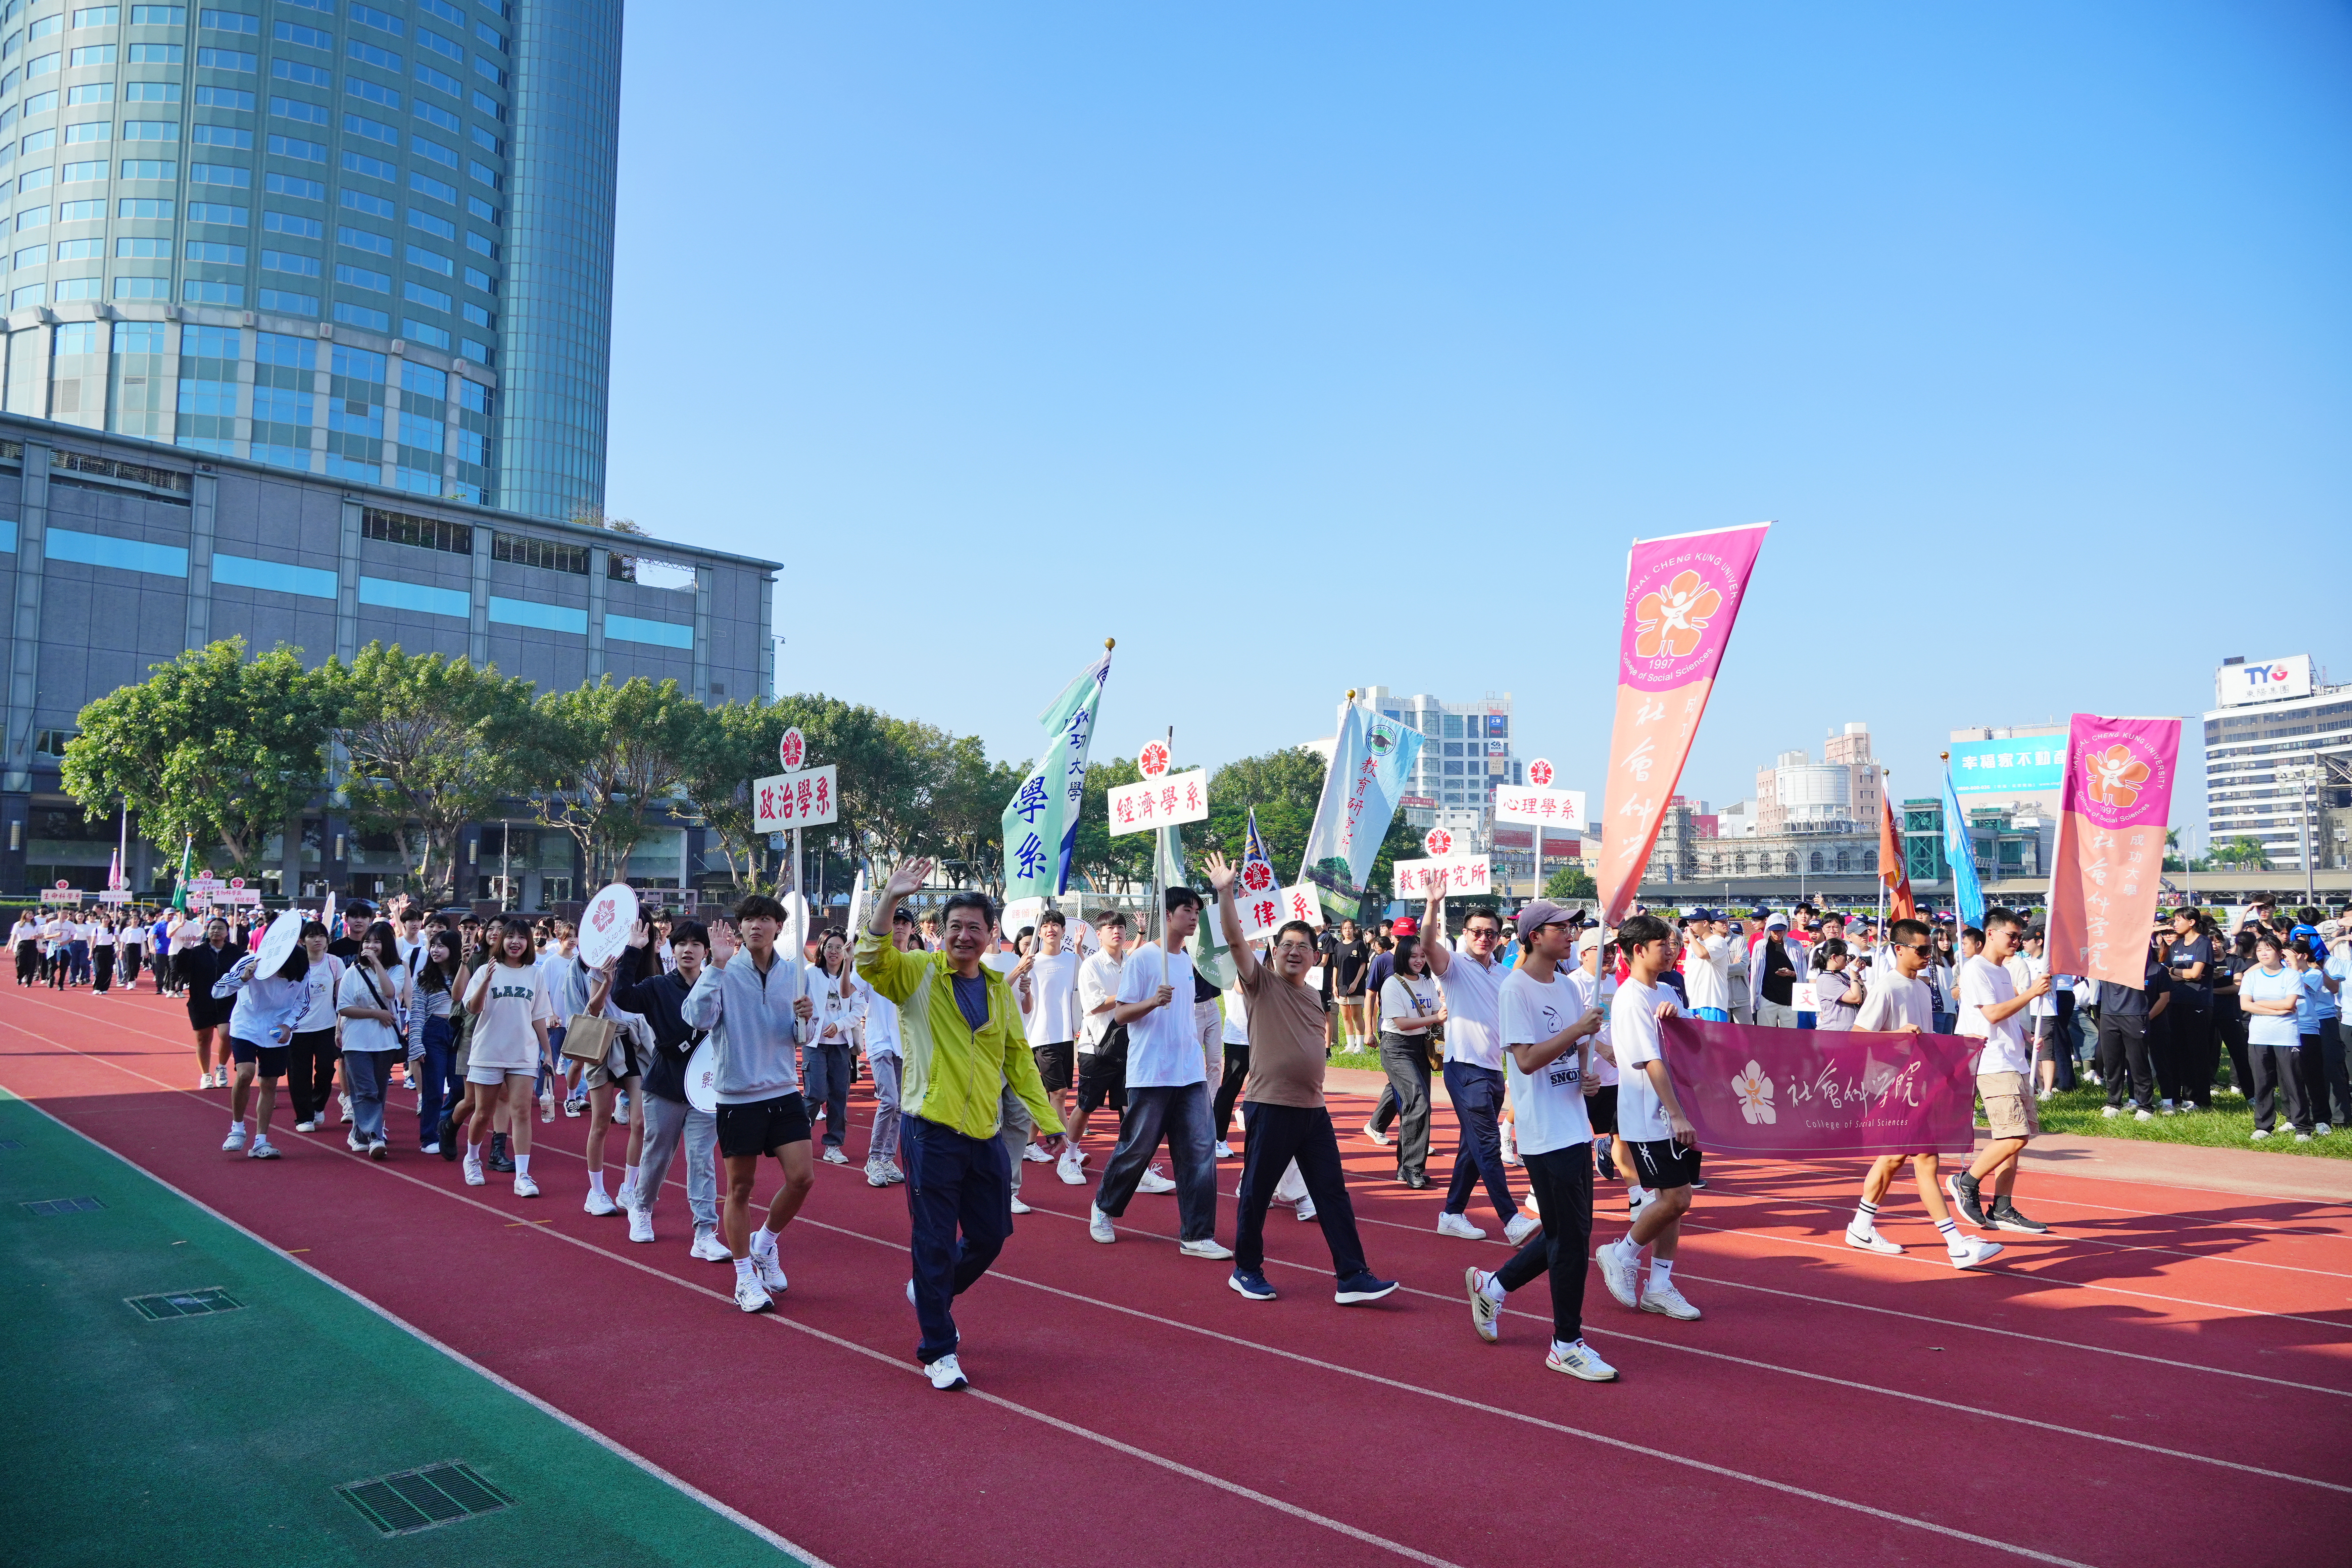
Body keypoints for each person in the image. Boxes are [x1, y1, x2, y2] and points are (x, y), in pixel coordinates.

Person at [860, 861, 1064, 1391]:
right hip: (931, 1128)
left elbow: (1018, 1059)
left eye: (975, 927)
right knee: (932, 1239)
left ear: (990, 933)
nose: (965, 936)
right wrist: (890, 895)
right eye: (955, 927)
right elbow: (870, 958)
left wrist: (1049, 1119)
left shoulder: (998, 988)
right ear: (941, 933)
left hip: (985, 1132)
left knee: (992, 1234)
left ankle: (931, 1288)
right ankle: (937, 1348)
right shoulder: (918, 974)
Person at [1202, 851, 1397, 1306]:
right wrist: (1226, 892)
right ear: (1274, 952)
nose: (1293, 951)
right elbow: (1234, 940)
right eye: (1285, 945)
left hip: (1313, 1111)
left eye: (1302, 947)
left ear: (1315, 955)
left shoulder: (1314, 997)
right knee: (1257, 1192)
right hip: (1270, 1107)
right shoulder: (1260, 983)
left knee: (1332, 1193)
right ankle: (1246, 1269)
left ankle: (1353, 1275)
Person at [1462, 900, 1615, 1379]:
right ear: (1534, 936)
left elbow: (1577, 1051)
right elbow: (1526, 1061)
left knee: (1568, 1236)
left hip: (1573, 1125)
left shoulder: (1569, 987)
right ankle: (1566, 1343)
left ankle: (1494, 1287)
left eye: (1572, 927)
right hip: (1544, 1134)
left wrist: (1588, 1076)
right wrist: (1576, 1030)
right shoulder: (1516, 989)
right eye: (1562, 928)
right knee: (1571, 1241)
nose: (1571, 935)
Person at [1843, 919, 2004, 1268]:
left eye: (1930, 949)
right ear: (1898, 949)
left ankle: (1861, 1226)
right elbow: (1856, 1037)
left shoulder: (1920, 987)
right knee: (1925, 1161)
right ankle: (1956, 1243)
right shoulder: (1887, 987)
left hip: (1917, 1084)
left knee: (1893, 1159)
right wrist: (1897, 1034)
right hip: (1890, 1087)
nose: (1928, 955)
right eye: (1922, 950)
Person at [684, 894, 818, 1314]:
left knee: (803, 1178)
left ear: (779, 926)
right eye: (747, 920)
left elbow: (802, 1038)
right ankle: (744, 1277)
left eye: (765, 918)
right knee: (739, 1188)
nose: (755, 925)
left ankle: (765, 1244)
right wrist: (716, 966)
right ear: (738, 928)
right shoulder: (723, 971)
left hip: (782, 1090)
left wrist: (806, 1017)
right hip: (737, 1097)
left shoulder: (796, 975)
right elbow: (697, 1018)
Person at [1088, 886, 1230, 1259]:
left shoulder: (1185, 960)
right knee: (1136, 1149)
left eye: (1197, 910)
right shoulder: (1144, 959)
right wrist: (1152, 1001)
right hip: (1151, 1072)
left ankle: (1197, 1234)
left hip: (1189, 1072)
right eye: (1187, 909)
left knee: (1199, 1153)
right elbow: (1120, 1014)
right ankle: (1104, 1207)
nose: (1194, 915)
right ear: (1167, 914)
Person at [1592, 913, 1703, 1321]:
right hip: (1650, 1116)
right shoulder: (1631, 998)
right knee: (1678, 1197)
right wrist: (1676, 1115)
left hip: (1680, 1111)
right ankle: (1620, 1254)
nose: (1672, 949)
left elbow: (1693, 1042)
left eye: (1674, 943)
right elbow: (1650, 1060)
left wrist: (1681, 1022)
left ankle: (1659, 1285)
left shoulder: (1667, 992)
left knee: (1672, 1203)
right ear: (1638, 949)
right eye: (1664, 943)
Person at [605, 917, 728, 1255]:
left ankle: (705, 1232)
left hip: (707, 1088)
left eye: (696, 944)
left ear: (706, 950)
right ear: (673, 949)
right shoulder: (659, 986)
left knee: (702, 1158)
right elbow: (622, 996)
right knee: (658, 1154)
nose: (688, 950)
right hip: (665, 1084)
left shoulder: (719, 983)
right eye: (682, 944)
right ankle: (641, 1210)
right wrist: (633, 950)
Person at [1420, 886, 1525, 1244]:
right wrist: (1433, 905)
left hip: (1494, 1070)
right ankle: (1511, 1219)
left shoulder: (1503, 974)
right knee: (1487, 1142)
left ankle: (1451, 1213)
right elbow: (1429, 946)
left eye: (1491, 933)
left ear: (1499, 938)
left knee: (1473, 1145)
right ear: (1464, 934)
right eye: (1477, 932)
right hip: (1464, 1068)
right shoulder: (1454, 966)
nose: (1483, 938)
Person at [1945, 908, 2051, 1233]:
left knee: (2017, 1138)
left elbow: (2005, 1017)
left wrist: (2026, 1035)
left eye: (2020, 937)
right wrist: (2031, 993)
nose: (2017, 943)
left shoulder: (2003, 971)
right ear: (1990, 934)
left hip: (2014, 1059)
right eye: (2012, 935)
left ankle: (2003, 1206)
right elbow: (1991, 1014)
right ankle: (1966, 1181)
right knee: (2014, 1135)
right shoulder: (1976, 969)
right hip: (1992, 1062)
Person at [461, 917, 558, 1197]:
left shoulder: (534, 974)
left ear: (529, 942)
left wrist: (548, 1053)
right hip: (488, 1052)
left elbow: (539, 1017)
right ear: (501, 940)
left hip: (523, 1054)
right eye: (510, 936)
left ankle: (523, 1176)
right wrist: (487, 981)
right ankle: (472, 1159)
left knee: (522, 1112)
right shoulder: (484, 970)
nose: (515, 942)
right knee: (483, 1114)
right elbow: (473, 1008)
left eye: (521, 937)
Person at [212, 928, 313, 1161]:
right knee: (246, 1074)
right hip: (246, 1024)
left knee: (269, 1083)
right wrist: (243, 979)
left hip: (277, 1030)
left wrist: (289, 1026)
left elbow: (303, 1002)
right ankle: (237, 1128)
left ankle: (261, 1141)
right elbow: (217, 991)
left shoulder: (301, 969)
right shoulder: (249, 962)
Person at [1059, 910, 1135, 1186]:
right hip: (1097, 1047)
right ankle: (1069, 1157)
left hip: (1129, 1046)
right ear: (1100, 935)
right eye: (1110, 928)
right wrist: (1133, 995)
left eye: (1120, 928)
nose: (1117, 932)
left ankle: (1134, 1164)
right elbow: (1095, 1005)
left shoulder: (1133, 963)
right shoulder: (1091, 965)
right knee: (1086, 1105)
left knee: (1129, 1106)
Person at [336, 920, 410, 1160]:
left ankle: (360, 1135)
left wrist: (377, 963)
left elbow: (390, 993)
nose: (371, 945)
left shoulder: (397, 970)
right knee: (365, 1090)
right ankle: (376, 1136)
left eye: (377, 941)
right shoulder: (352, 972)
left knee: (377, 1092)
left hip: (385, 1042)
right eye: (368, 941)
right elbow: (344, 1008)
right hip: (356, 1041)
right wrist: (376, 1014)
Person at [1375, 932, 1444, 1188]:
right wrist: (1436, 1019)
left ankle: (1406, 1169)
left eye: (1422, 955)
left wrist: (1441, 1013)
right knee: (1419, 1102)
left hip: (1420, 1048)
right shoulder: (1393, 984)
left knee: (1414, 1106)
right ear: (1403, 956)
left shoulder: (1427, 981)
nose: (1418, 960)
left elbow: (1436, 1010)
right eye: (1413, 955)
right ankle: (1413, 1168)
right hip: (1396, 1048)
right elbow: (1402, 1024)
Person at [862, 905, 918, 1188]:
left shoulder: (917, 962)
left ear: (911, 929)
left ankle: (887, 1158)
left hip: (905, 1044)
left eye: (904, 923)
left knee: (901, 1106)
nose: (899, 927)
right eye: (894, 922)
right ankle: (874, 1158)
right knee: (890, 1100)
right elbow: (852, 991)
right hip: (879, 1041)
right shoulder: (876, 958)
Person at [1018, 910, 1083, 1147]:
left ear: (1064, 931)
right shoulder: (1030, 963)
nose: (1051, 929)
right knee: (1059, 1094)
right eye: (1045, 926)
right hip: (1041, 1036)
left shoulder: (1073, 961)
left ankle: (1028, 1144)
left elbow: (1083, 994)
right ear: (1040, 932)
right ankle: (1070, 1152)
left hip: (1067, 1036)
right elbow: (1026, 1007)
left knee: (1048, 1095)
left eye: (1056, 925)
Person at [2241, 934, 2312, 1140]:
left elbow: (2289, 1004)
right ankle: (2263, 1125)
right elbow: (2245, 1005)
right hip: (2259, 1036)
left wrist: (2260, 1004)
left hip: (2286, 1037)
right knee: (2262, 1083)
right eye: (2259, 951)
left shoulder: (2291, 976)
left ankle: (2302, 1127)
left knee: (2293, 1083)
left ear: (2279, 952)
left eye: (2268, 949)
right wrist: (2275, 1011)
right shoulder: (2252, 977)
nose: (2263, 954)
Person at [801, 929, 861, 1166]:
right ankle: (798, 1138)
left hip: (840, 1046)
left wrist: (839, 1024)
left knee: (839, 1096)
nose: (834, 952)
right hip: (815, 1044)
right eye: (829, 947)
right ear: (822, 950)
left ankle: (833, 1145)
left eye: (839, 948)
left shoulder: (853, 977)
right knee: (816, 1093)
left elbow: (858, 1010)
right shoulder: (811, 974)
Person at [2097, 935, 2169, 1121]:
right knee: (2112, 1063)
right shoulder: (2106, 966)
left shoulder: (2154, 970)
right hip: (2109, 1016)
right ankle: (2114, 1103)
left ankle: (2145, 1106)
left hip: (2134, 1015)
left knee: (2138, 1063)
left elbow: (2164, 998)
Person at [286, 921, 344, 1133]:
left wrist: (341, 1024)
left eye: (321, 936)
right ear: (303, 941)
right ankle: (304, 1116)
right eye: (312, 936)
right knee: (298, 1074)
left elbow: (341, 998)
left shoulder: (335, 963)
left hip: (326, 1026)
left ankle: (318, 1105)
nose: (317, 940)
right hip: (297, 1029)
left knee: (326, 1069)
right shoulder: (294, 963)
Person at [412, 930, 462, 1156]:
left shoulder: (465, 974)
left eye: (441, 946)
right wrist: (416, 1046)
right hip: (433, 1032)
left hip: (459, 1031)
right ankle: (429, 1136)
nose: (435, 950)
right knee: (433, 1089)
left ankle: (446, 1124)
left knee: (460, 1087)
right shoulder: (425, 978)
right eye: (433, 946)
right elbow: (417, 1014)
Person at [2164, 907, 2217, 1110]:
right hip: (2175, 1002)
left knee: (2197, 1052)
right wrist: (2178, 972)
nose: (2175, 925)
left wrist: (2175, 971)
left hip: (2198, 1004)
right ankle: (2182, 1098)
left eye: (2178, 920)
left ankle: (2202, 1100)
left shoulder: (2203, 943)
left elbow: (2196, 974)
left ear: (2192, 922)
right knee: (2177, 1052)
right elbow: (2166, 973)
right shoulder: (2176, 945)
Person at [178, 917, 237, 1090]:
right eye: (212, 928)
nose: (216, 931)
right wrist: (186, 950)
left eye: (220, 928)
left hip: (228, 1002)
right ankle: (206, 1075)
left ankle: (222, 1067)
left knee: (227, 1034)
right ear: (207, 931)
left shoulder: (235, 952)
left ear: (227, 933)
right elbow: (182, 969)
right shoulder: (198, 952)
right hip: (201, 1001)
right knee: (203, 1039)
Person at [2290, 937, 2338, 1138]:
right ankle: (2293, 1118)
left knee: (2313, 1076)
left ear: (2303, 956)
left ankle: (2321, 1119)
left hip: (2308, 1029)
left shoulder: (2315, 974)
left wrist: (2293, 966)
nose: (2284, 960)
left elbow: (2300, 988)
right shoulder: (2283, 973)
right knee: (2290, 1077)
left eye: (2288, 956)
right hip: (2288, 1029)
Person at [1682, 911, 1734, 1023]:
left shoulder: (1718, 941)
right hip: (1692, 1002)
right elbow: (1688, 973)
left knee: (1714, 1040)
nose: (1690, 926)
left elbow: (1702, 954)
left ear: (1705, 923)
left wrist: (1690, 936)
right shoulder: (1693, 944)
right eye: (1689, 922)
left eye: (1694, 922)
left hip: (1711, 1002)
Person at [1752, 915, 1802, 1027]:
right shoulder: (1760, 946)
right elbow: (1755, 974)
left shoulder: (1795, 946)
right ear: (1769, 929)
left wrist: (1791, 974)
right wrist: (1754, 1000)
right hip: (1767, 997)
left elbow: (1802, 972)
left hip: (1790, 999)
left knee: (1789, 1037)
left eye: (1781, 931)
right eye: (1775, 931)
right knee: (1766, 1036)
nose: (1778, 934)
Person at [1330, 919, 1371, 1052]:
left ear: (1354, 929)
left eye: (1350, 928)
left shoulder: (1359, 944)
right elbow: (1335, 966)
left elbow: (1363, 965)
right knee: (1346, 1017)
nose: (1347, 931)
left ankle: (1360, 1046)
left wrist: (1356, 982)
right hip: (1341, 986)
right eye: (1345, 929)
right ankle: (1350, 1045)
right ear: (1342, 930)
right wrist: (1335, 985)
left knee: (1357, 1015)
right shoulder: (1338, 946)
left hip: (1356, 986)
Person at [1813, 939, 1863, 1031]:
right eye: (1845, 955)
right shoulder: (1826, 979)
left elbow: (1863, 997)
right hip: (1834, 1034)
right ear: (1834, 957)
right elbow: (1856, 998)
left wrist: (1857, 975)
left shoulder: (1843, 976)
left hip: (1849, 1032)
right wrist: (1852, 971)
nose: (1847, 959)